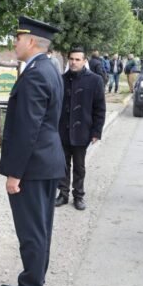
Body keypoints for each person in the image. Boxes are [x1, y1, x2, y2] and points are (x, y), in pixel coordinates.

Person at [0, 16, 65, 286]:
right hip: (46, 162)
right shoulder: (47, 68)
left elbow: (27, 129)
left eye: (18, 38)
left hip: (34, 166)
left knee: (32, 231)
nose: (14, 43)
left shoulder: (37, 73)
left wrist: (15, 173)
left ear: (32, 41)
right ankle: (31, 280)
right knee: (40, 228)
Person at [55, 47, 106, 211]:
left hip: (82, 130)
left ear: (85, 61)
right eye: (71, 59)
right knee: (62, 164)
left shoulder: (95, 80)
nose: (73, 62)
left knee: (79, 166)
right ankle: (63, 194)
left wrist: (96, 131)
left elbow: (100, 108)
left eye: (77, 59)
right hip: (62, 130)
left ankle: (79, 195)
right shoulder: (61, 79)